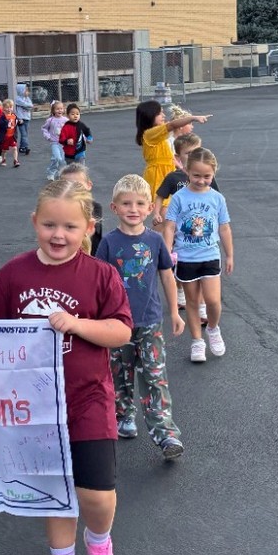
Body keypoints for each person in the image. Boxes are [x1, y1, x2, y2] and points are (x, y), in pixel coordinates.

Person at [0, 178, 132, 555]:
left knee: (96, 494)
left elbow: (121, 330)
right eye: (49, 225)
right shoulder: (13, 274)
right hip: (34, 407)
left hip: (87, 400)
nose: (59, 235)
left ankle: (99, 543)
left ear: (89, 227)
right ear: (34, 222)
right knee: (53, 490)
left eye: (69, 226)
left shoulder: (100, 274)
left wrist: (77, 324)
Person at [95, 175, 185, 460]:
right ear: (114, 207)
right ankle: (124, 416)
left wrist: (174, 312)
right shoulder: (108, 243)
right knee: (119, 375)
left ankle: (165, 433)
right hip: (116, 324)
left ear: (149, 208)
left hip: (150, 322)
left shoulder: (155, 241)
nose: (132, 209)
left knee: (155, 376)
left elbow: (167, 276)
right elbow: (98, 283)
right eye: (126, 203)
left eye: (139, 204)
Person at [162, 147, 233, 363]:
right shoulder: (178, 198)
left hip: (210, 255)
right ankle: (197, 341)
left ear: (214, 173)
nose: (201, 181)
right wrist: (167, 252)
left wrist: (229, 255)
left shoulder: (217, 198)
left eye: (207, 176)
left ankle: (212, 328)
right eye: (196, 175)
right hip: (186, 258)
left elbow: (224, 228)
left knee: (213, 301)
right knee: (192, 302)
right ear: (186, 171)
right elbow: (169, 226)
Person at [134, 99, 211, 198]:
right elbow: (172, 125)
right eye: (159, 113)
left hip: (168, 172)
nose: (163, 115)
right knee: (161, 202)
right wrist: (193, 118)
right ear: (149, 115)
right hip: (158, 175)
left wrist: (182, 169)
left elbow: (169, 156)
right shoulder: (150, 134)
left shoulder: (159, 135)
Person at [59, 163, 103, 255]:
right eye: (66, 185)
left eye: (78, 185)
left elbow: (95, 237)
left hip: (91, 256)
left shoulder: (95, 207)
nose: (73, 190)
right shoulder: (57, 210)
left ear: (89, 185)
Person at [42, 100, 68, 180]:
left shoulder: (66, 120)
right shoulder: (50, 120)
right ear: (53, 110)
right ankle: (51, 172)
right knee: (57, 158)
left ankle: (61, 173)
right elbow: (44, 128)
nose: (59, 110)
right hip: (54, 143)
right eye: (57, 109)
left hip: (64, 143)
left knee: (63, 160)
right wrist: (48, 137)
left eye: (61, 108)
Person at [0, 97, 20, 167]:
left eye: (10, 107)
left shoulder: (14, 116)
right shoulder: (2, 117)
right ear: (3, 108)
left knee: (15, 148)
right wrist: (6, 122)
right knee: (4, 150)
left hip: (12, 136)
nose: (9, 109)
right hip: (5, 137)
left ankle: (15, 161)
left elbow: (17, 122)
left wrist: (20, 122)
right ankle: (3, 159)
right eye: (7, 107)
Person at [15, 83, 34, 155]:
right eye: (26, 91)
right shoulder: (18, 99)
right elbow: (26, 105)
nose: (28, 92)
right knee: (23, 134)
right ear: (21, 91)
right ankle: (25, 147)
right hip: (21, 119)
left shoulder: (27, 98)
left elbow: (30, 105)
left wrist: (28, 106)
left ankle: (22, 147)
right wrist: (19, 118)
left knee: (25, 133)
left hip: (27, 118)